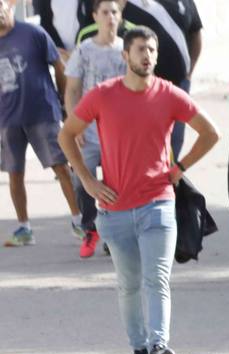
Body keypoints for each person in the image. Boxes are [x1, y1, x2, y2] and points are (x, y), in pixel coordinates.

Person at [58, 24, 219, 354]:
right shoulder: (102, 95)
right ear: (125, 55)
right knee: (129, 284)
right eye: (141, 50)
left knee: (156, 278)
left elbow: (211, 133)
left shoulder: (169, 94)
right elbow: (66, 135)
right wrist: (87, 181)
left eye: (152, 50)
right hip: (114, 210)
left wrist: (179, 168)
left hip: (158, 204)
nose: (147, 56)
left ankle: (160, 344)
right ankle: (140, 348)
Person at [0, 0, 83, 247]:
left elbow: (59, 66)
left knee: (61, 166)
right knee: (15, 174)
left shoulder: (33, 33)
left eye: (1, 7)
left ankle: (79, 221)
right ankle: (24, 228)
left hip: (42, 113)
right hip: (7, 119)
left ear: (10, 7)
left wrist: (63, 102)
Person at [63, 0, 124, 259]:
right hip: (87, 132)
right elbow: (72, 89)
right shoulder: (85, 50)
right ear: (95, 17)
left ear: (120, 17)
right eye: (105, 12)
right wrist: (74, 125)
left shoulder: (126, 49)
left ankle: (113, 235)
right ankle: (91, 229)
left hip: (119, 132)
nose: (110, 17)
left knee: (115, 185)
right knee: (81, 181)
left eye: (114, 12)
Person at [110, 0, 202, 163]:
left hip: (179, 84)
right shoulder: (124, 3)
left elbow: (195, 32)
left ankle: (169, 182)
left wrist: (189, 73)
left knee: (174, 142)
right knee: (145, 147)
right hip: (142, 89)